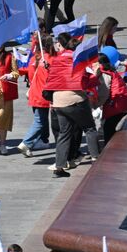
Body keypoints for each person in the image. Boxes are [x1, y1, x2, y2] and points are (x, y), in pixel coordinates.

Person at [45, 33, 100, 178]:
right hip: (74, 100)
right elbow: (85, 82)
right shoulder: (76, 60)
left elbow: (51, 79)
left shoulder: (57, 60)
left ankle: (59, 167)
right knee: (89, 128)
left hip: (58, 102)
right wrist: (96, 74)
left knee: (64, 134)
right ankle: (95, 158)